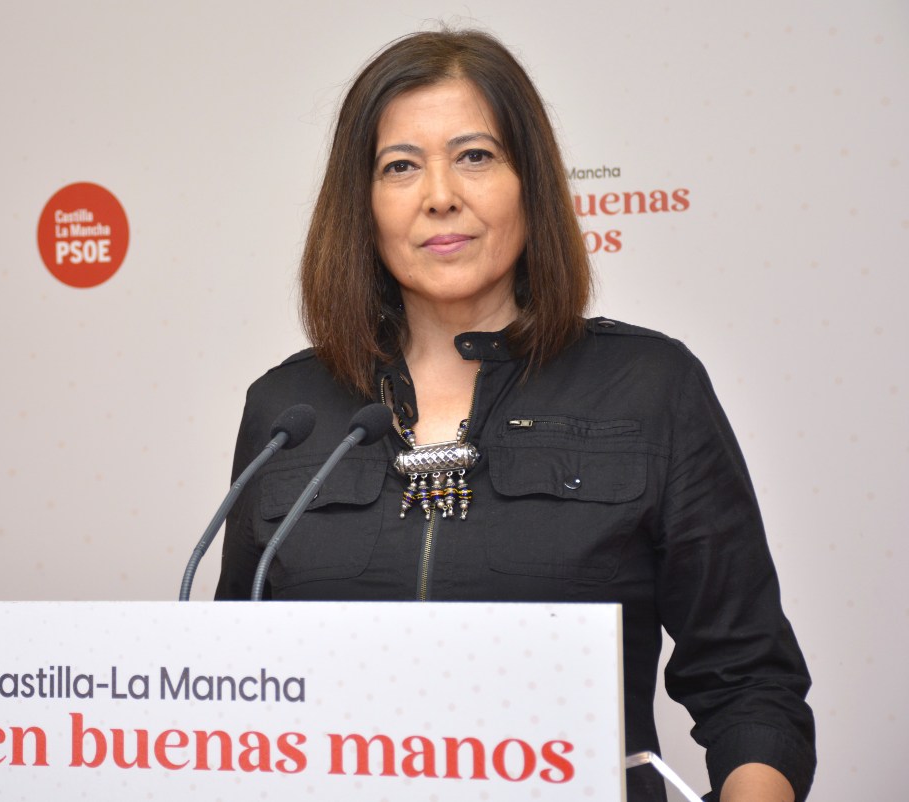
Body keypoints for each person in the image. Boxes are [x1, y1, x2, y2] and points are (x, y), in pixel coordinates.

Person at [215, 28, 815, 802]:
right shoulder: (287, 410)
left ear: (530, 182)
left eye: (475, 156)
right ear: (361, 205)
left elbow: (750, 686)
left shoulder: (650, 386)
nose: (440, 194)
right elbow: (233, 694)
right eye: (400, 166)